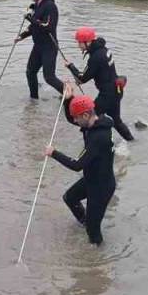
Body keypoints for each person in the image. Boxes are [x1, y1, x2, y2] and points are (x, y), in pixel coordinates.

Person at [45, 83, 117, 246]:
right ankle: (86, 222)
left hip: (101, 187)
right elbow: (72, 118)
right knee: (70, 198)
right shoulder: (96, 120)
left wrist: (53, 153)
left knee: (93, 231)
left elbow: (77, 165)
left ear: (86, 115)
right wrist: (68, 98)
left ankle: (97, 262)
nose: (75, 121)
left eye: (77, 117)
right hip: (91, 179)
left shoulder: (98, 138)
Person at [65, 27, 134, 141]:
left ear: (88, 42)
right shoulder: (104, 49)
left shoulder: (96, 57)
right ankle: (132, 141)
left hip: (107, 95)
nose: (78, 45)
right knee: (116, 121)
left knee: (86, 119)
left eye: (79, 42)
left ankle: (91, 146)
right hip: (116, 90)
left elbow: (82, 78)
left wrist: (70, 66)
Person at [16, 0, 63, 99]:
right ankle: (33, 100)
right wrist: (21, 36)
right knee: (30, 72)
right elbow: (34, 27)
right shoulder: (37, 5)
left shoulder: (50, 6)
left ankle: (68, 95)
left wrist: (30, 18)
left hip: (49, 47)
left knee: (49, 78)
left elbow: (48, 27)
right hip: (38, 47)